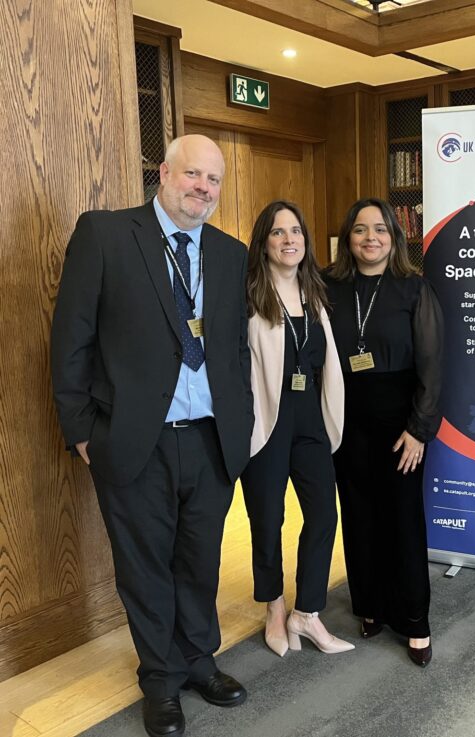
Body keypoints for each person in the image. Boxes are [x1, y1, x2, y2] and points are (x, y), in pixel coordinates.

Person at [50, 134, 254, 737]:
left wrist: (239, 424)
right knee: (144, 568)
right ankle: (160, 679)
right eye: (194, 174)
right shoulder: (107, 235)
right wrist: (81, 430)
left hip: (211, 441)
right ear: (163, 173)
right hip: (134, 441)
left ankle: (198, 660)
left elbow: (233, 348)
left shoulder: (228, 252)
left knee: (199, 562)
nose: (204, 189)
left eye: (214, 181)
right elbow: (71, 341)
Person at [325, 198, 443, 668]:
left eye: (380, 230)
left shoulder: (413, 289)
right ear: (346, 239)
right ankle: (370, 605)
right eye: (359, 230)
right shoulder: (329, 289)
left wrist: (419, 430)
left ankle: (415, 620)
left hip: (401, 425)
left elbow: (433, 368)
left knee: (402, 519)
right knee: (357, 515)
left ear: (394, 237)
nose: (369, 238)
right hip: (345, 419)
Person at [240, 201, 353, 657]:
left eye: (296, 232)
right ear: (264, 243)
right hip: (266, 422)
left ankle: (307, 613)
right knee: (267, 521)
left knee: (324, 515)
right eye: (278, 233)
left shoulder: (316, 293)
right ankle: (274, 607)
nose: (290, 241)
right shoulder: (249, 295)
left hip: (310, 422)